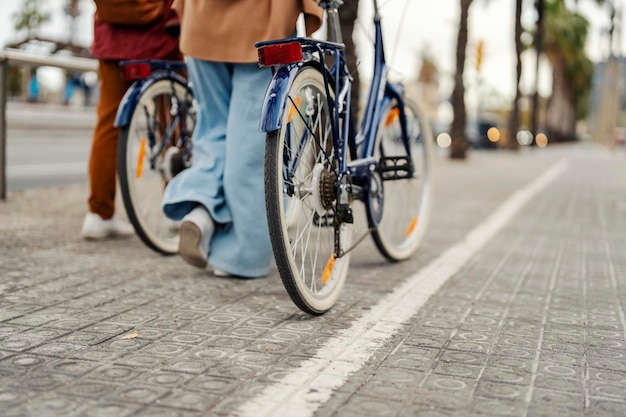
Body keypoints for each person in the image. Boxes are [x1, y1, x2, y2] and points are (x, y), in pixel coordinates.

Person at [161, 0, 323, 278]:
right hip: (260, 21)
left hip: (201, 20)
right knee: (248, 144)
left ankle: (202, 207)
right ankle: (241, 255)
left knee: (212, 130)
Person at [81, 0, 183, 239]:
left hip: (112, 37)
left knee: (108, 124)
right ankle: (177, 207)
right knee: (170, 119)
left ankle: (99, 213)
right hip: (161, 36)